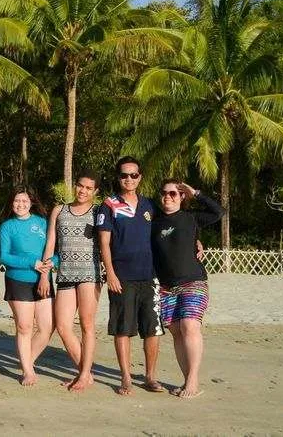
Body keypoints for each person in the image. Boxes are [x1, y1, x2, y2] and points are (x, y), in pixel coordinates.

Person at [97, 156, 164, 396]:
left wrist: (195, 240)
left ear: (140, 177)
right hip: (122, 276)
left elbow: (169, 231)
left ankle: (150, 376)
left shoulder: (150, 206)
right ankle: (125, 377)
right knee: (123, 328)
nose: (129, 179)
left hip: (150, 276)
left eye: (133, 175)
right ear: (118, 178)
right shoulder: (109, 205)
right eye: (124, 175)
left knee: (152, 329)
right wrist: (110, 274)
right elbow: (104, 243)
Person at [152, 179, 224, 399]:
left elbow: (219, 212)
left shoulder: (191, 218)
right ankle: (186, 379)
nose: (168, 197)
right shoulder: (153, 222)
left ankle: (193, 380)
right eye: (164, 193)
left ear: (182, 196)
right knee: (176, 332)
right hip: (166, 286)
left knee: (190, 326)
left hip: (194, 281)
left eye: (173, 193)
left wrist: (196, 192)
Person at [41, 170, 103, 392]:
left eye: (88, 188)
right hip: (65, 274)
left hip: (90, 274)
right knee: (64, 326)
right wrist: (44, 274)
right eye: (80, 185)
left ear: (95, 191)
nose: (83, 191)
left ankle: (84, 375)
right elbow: (50, 244)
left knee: (87, 325)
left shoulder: (99, 212)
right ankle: (86, 372)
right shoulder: (60, 210)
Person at [0, 186, 54, 386]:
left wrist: (50, 263)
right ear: (11, 203)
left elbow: (54, 251)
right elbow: (3, 256)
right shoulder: (7, 226)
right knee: (24, 327)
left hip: (43, 280)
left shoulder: (42, 223)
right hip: (17, 280)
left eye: (24, 201)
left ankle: (26, 360)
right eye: (16, 201)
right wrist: (31, 262)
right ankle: (28, 371)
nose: (20, 205)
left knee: (46, 327)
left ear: (31, 202)